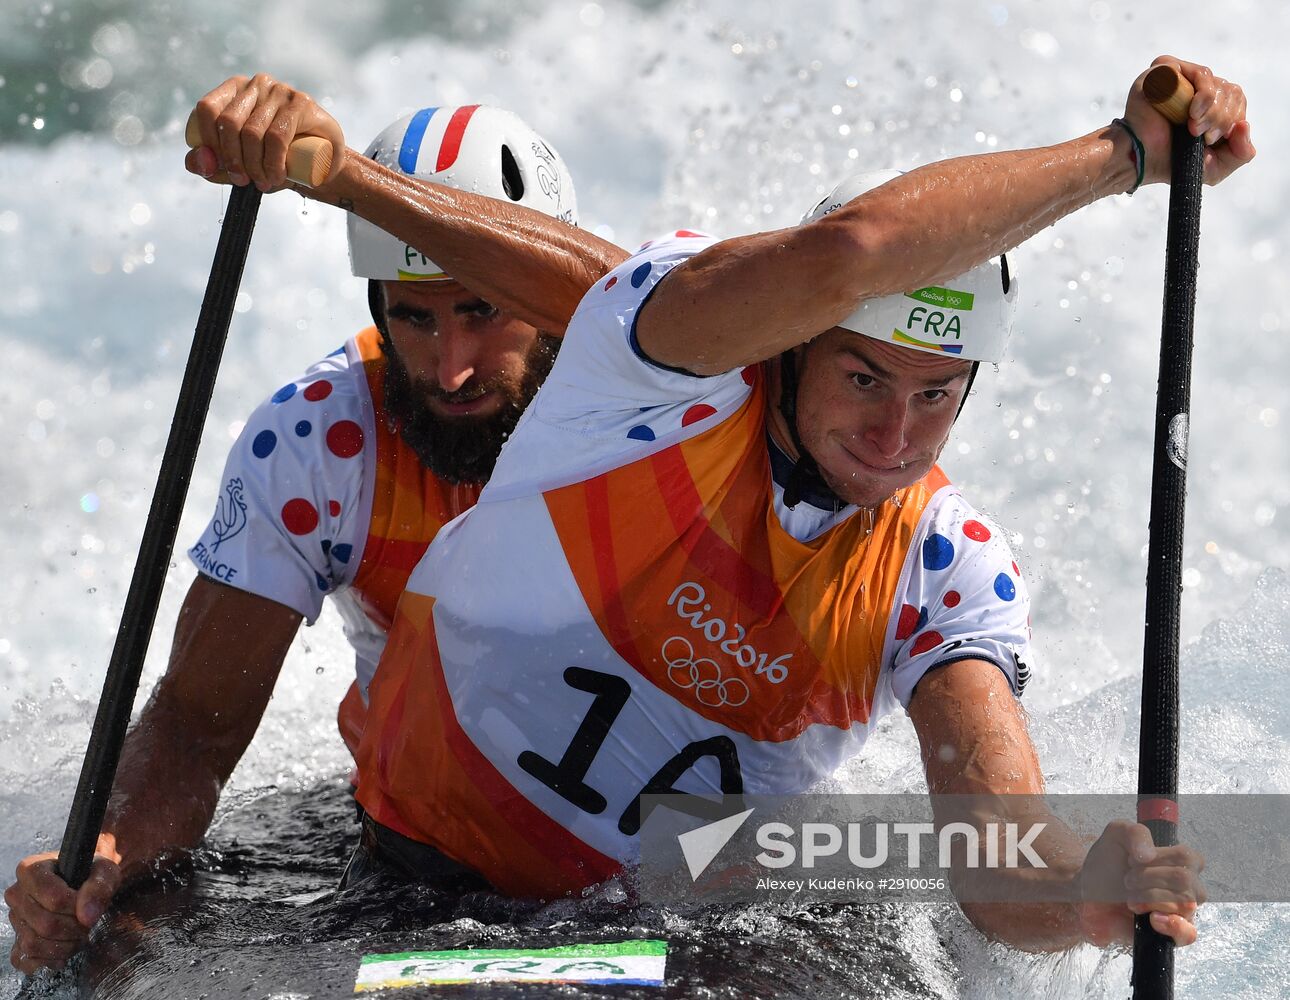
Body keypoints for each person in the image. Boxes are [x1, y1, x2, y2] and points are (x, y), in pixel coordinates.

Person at [342, 54, 1250, 953]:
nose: (894, 436)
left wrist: (1086, 895)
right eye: (863, 378)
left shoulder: (947, 564)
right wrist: (1124, 153)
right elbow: (854, 250)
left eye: (936, 395)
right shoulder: (665, 376)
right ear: (794, 344)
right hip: (416, 887)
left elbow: (997, 863)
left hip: (664, 936)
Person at [5, 80, 627, 975]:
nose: (449, 370)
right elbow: (193, 727)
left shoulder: (665, 417)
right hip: (419, 855)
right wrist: (103, 855)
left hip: (662, 855)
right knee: (122, 935)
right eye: (415, 317)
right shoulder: (317, 439)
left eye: (483, 310)